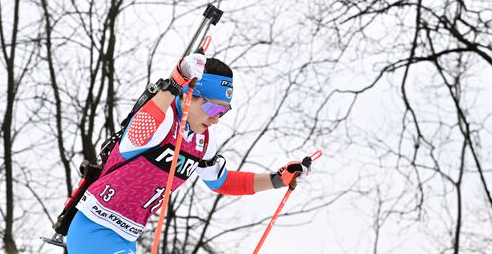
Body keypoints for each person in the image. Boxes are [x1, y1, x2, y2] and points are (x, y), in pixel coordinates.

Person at [66, 54, 309, 253]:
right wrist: (177, 80)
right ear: (189, 96)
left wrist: (277, 180)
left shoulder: (204, 140)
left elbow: (221, 182)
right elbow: (141, 126)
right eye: (212, 107)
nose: (215, 118)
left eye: (223, 112)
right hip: (94, 227)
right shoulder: (164, 119)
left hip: (128, 235)